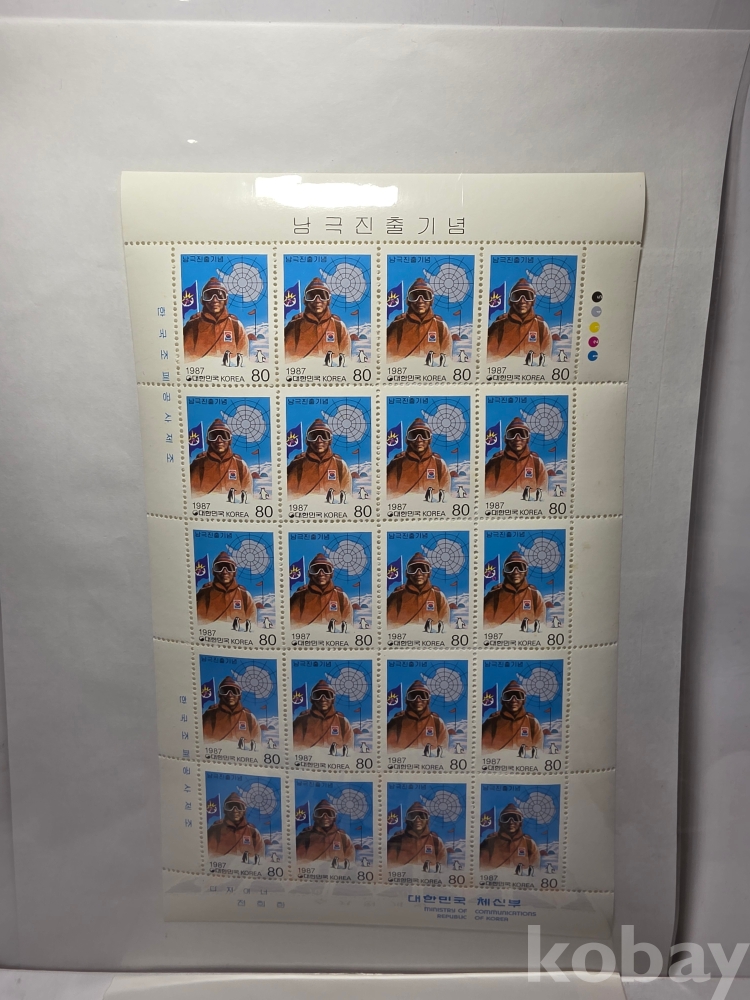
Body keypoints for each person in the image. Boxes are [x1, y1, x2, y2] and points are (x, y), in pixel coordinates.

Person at [183, 277, 248, 361]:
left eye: (220, 295)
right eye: (208, 296)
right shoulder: (192, 326)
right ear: (202, 300)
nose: (214, 300)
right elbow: (187, 359)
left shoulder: (236, 326)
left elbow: (243, 359)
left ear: (226, 300)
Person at [284, 278, 350, 360]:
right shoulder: (294, 326)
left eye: (323, 296)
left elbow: (346, 359)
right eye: (311, 296)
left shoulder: (339, 327)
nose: (317, 300)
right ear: (305, 301)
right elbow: (287, 360)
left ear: (329, 300)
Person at [487, 278, 551, 361]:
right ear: (510, 301)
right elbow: (489, 359)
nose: (522, 301)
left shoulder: (541, 327)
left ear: (533, 301)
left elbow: (546, 360)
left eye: (528, 296)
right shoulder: (498, 326)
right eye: (516, 296)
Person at [387, 279, 451, 360]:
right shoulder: (397, 326)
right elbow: (389, 359)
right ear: (408, 301)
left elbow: (446, 359)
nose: (420, 301)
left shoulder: (441, 327)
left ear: (431, 301)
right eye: (414, 296)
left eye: (426, 296)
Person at [287, 418, 352, 498]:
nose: (319, 440)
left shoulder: (340, 465)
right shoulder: (297, 465)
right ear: (307, 441)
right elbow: (290, 497)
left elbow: (346, 496)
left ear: (330, 440)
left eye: (324, 436)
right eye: (313, 436)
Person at [386, 418, 450, 497]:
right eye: (413, 435)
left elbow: (445, 496)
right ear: (407, 440)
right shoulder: (396, 464)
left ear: (430, 439)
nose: (419, 439)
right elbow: (389, 496)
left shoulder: (439, 465)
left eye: (424, 435)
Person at [485, 417, 547, 496]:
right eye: (512, 434)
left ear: (528, 439)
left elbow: (543, 494)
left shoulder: (537, 464)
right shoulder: (495, 463)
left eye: (522, 434)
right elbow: (487, 494)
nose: (517, 438)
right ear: (506, 439)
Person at [289, 552, 353, 629]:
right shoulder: (299, 597)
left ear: (332, 574)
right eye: (315, 569)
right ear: (309, 574)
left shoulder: (341, 598)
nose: (321, 573)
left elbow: (348, 627)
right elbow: (292, 626)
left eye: (326, 569)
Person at [190, 418, 252, 497]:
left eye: (224, 436)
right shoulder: (198, 465)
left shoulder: (240, 465)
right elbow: (193, 496)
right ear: (208, 440)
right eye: (213, 436)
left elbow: (247, 496)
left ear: (230, 440)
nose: (219, 440)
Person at [386, 552, 449, 628]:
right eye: (413, 569)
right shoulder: (397, 596)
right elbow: (389, 625)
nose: (419, 573)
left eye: (424, 569)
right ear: (407, 573)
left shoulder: (438, 596)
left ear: (429, 573)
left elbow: (444, 626)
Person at [483, 551, 545, 628]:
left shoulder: (535, 596)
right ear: (504, 572)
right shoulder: (493, 596)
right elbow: (486, 625)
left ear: (526, 572)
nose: (515, 572)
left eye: (521, 567)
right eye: (510, 568)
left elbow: (541, 625)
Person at [482, 680, 543, 753]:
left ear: (524, 700)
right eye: (508, 696)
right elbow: (484, 751)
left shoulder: (532, 723)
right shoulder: (491, 723)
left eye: (518, 696)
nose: (513, 700)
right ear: (502, 700)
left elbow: (538, 752)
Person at [387, 679, 448, 751]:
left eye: (423, 696)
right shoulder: (396, 723)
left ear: (428, 700)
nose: (418, 700)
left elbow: (443, 752)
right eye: (412, 696)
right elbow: (389, 751)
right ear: (406, 700)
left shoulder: (438, 723)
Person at [293, 677, 354, 750]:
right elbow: (295, 749)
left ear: (333, 699)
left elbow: (349, 750)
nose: (323, 699)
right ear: (311, 699)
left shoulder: (343, 722)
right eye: (317, 695)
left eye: (327, 695)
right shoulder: (301, 722)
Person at [196, 552, 256, 625]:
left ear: (235, 572)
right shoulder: (205, 595)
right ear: (213, 572)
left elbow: (252, 624)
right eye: (219, 567)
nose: (224, 572)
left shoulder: (245, 596)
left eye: (229, 568)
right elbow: (199, 623)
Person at [479, 802, 540, 870]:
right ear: (500, 822)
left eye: (515, 818)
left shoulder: (529, 844)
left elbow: (535, 870)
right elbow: (482, 868)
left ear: (521, 823)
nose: (511, 822)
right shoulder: (489, 842)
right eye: (506, 818)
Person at [202, 676, 261, 744]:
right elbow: (204, 742)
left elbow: (257, 745)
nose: (230, 695)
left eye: (234, 691)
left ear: (240, 696)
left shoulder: (250, 718)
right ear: (219, 694)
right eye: (225, 691)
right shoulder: (209, 716)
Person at [387, 802, 447, 868]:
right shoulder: (395, 841)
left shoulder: (437, 842)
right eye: (412, 816)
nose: (417, 820)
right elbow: (389, 867)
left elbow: (442, 869)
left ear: (428, 820)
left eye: (422, 816)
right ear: (406, 820)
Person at [296, 799, 355, 864]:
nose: (325, 817)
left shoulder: (344, 838)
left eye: (330, 813)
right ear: (314, 817)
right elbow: (299, 863)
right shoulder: (305, 837)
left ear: (335, 818)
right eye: (320, 813)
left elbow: (350, 864)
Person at [207, 792, 264, 858]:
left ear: (244, 811)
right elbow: (210, 856)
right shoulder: (215, 830)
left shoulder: (253, 832)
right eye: (230, 806)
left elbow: (260, 858)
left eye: (239, 807)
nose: (235, 810)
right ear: (225, 810)